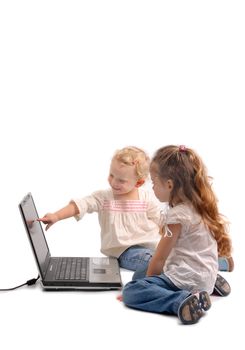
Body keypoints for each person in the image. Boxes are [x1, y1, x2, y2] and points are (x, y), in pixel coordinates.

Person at [121, 145, 233, 325]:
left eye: (154, 183)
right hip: (204, 273)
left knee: (132, 288)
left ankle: (182, 300)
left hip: (185, 277)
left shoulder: (176, 217)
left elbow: (159, 259)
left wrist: (147, 291)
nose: (153, 187)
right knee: (139, 274)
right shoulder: (200, 206)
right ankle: (210, 283)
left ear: (170, 185)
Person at [38, 146, 162, 270]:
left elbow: (161, 221)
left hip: (153, 247)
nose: (114, 182)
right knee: (154, 262)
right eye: (111, 175)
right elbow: (81, 205)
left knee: (170, 257)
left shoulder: (146, 198)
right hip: (124, 252)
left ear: (138, 183)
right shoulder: (104, 198)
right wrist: (56, 216)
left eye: (121, 181)